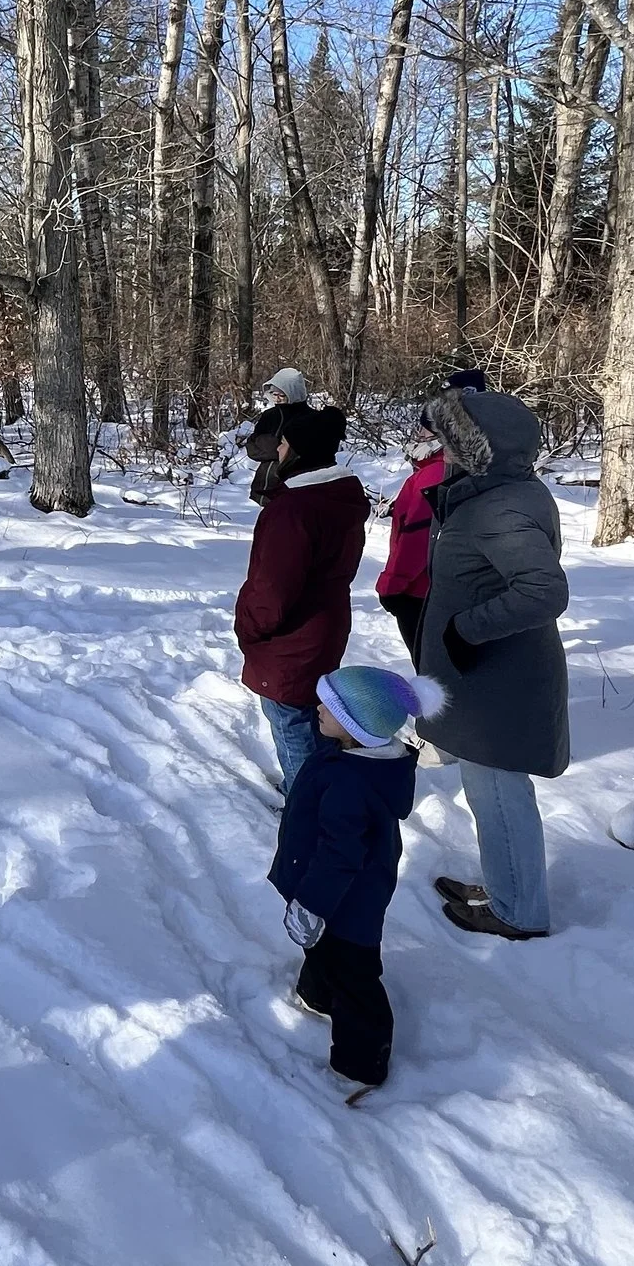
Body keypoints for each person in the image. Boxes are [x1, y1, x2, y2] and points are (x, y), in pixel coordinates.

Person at [418, 386, 569, 940]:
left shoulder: (501, 506)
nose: (441, 450)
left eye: (450, 439)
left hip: (500, 680)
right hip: (487, 678)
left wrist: (465, 629)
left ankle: (517, 913)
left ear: (478, 446)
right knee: (490, 794)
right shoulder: (496, 493)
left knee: (501, 796)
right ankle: (508, 889)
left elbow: (544, 591)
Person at [270, 665, 442, 1090]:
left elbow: (339, 856)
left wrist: (312, 903)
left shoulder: (350, 780)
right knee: (324, 949)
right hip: (332, 889)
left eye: (328, 706)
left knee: (355, 974)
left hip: (344, 898)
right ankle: (317, 995)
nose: (317, 710)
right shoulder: (348, 756)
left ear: (355, 725)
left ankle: (363, 1063)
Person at [234, 402, 367, 796]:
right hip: (324, 627)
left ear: (298, 452)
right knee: (313, 715)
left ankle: (303, 803)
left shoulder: (293, 510)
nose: (277, 451)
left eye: (283, 444)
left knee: (290, 720)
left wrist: (249, 627)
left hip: (291, 638)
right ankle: (315, 788)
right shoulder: (338, 496)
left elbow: (271, 591)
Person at [375, 418, 445, 663]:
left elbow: (418, 537)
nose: (418, 435)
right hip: (428, 589)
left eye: (425, 429)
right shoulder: (432, 470)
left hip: (419, 592)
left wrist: (392, 585)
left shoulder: (435, 474)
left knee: (432, 670)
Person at [241, 366, 311, 505]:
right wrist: (275, 447)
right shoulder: (270, 415)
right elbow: (252, 448)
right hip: (265, 483)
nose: (277, 399)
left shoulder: (309, 417)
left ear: (293, 392)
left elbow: (302, 452)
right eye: (274, 394)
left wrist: (275, 447)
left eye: (282, 395)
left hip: (292, 485)